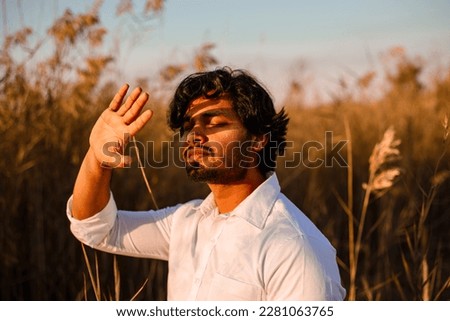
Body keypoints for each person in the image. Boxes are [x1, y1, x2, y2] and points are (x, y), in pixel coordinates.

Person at [67, 67, 346, 300]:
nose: (194, 135)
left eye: (213, 122)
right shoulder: (187, 221)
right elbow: (96, 228)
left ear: (259, 139)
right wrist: (97, 157)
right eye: (189, 126)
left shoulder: (292, 246)